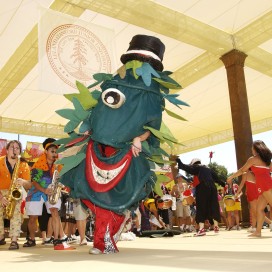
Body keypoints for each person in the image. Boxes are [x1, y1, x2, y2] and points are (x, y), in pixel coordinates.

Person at [24, 138, 72, 249]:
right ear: (46, 152)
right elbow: (34, 182)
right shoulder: (38, 164)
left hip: (52, 192)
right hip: (36, 191)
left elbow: (61, 179)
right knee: (32, 217)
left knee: (55, 212)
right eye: (52, 151)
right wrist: (44, 190)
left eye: (56, 152)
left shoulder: (58, 165)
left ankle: (56, 239)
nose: (55, 154)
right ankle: (31, 239)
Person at [227, 140, 272, 237]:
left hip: (266, 186)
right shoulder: (267, 161)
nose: (251, 149)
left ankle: (258, 231)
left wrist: (231, 177)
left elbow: (242, 170)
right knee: (259, 209)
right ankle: (258, 231)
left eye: (252, 148)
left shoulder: (253, 159)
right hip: (263, 186)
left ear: (256, 149)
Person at [176, 157, 225, 236]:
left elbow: (188, 168)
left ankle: (201, 229)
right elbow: (216, 178)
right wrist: (222, 183)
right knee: (213, 206)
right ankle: (216, 226)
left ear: (194, 164)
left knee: (201, 207)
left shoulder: (197, 167)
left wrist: (179, 162)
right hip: (212, 187)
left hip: (203, 187)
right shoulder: (208, 168)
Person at [0, 140, 31, 250]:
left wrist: (23, 182)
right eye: (12, 147)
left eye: (17, 148)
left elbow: (29, 184)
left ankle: (14, 240)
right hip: (1, 192)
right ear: (7, 150)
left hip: (15, 192)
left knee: (17, 211)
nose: (14, 150)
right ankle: (1, 236)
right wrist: (1, 197)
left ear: (19, 151)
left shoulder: (23, 164)